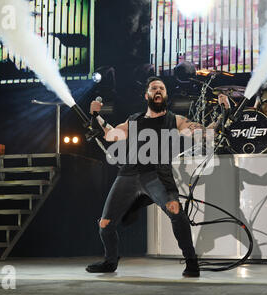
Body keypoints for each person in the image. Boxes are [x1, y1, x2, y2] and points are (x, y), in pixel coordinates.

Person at [86, 76, 223, 277]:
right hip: (128, 175)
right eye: (153, 88)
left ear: (166, 95)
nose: (157, 91)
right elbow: (110, 134)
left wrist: (222, 114)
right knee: (105, 224)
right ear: (147, 95)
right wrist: (95, 115)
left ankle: (191, 261)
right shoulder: (134, 119)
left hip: (157, 175)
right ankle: (110, 261)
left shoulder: (175, 120)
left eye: (161, 88)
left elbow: (204, 132)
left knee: (176, 211)